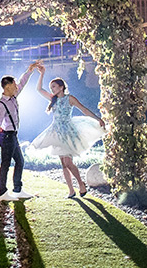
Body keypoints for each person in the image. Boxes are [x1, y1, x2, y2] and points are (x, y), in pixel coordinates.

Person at [29, 67, 106, 198]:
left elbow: (84, 109)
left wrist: (98, 119)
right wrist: (42, 74)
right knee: (63, 164)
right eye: (51, 87)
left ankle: (81, 184)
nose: (52, 89)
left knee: (68, 162)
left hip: (68, 132)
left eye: (54, 86)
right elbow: (39, 89)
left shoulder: (69, 98)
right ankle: (71, 190)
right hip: (56, 132)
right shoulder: (53, 99)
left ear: (61, 87)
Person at [0, 60, 44, 201]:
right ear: (8, 86)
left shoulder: (13, 97)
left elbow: (23, 82)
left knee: (20, 161)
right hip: (6, 136)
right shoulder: (0, 105)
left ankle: (17, 189)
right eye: (14, 85)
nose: (17, 86)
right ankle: (2, 193)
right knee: (5, 163)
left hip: (12, 135)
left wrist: (30, 70)